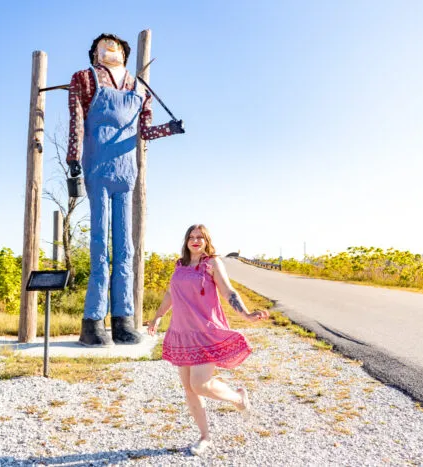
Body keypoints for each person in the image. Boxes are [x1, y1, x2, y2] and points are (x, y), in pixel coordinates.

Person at [66, 33, 185, 347]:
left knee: (126, 248)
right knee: (99, 246)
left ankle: (124, 320)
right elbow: (76, 122)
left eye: (114, 45)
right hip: (97, 167)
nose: (108, 47)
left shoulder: (139, 88)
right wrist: (73, 159)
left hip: (126, 171)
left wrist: (169, 129)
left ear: (125, 53)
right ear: (94, 54)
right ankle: (93, 321)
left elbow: (144, 130)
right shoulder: (85, 79)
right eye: (102, 45)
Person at [148, 224, 270, 456]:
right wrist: (157, 317)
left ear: (206, 241)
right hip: (182, 333)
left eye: (200, 237)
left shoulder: (212, 263)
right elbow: (170, 294)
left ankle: (238, 399)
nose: (195, 241)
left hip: (206, 331)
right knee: (189, 389)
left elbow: (228, 291)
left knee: (200, 384)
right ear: (186, 241)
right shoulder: (180, 265)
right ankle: (205, 437)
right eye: (191, 237)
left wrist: (245, 314)